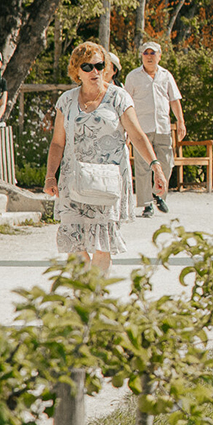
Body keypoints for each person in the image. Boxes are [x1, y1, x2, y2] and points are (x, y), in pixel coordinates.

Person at [43, 40, 167, 273]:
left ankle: (95, 298)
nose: (95, 72)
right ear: (76, 71)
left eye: (99, 66)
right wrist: (50, 176)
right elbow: (58, 142)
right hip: (72, 180)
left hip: (107, 181)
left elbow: (138, 135)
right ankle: (84, 294)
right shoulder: (66, 101)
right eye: (87, 67)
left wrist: (156, 167)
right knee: (74, 241)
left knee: (102, 245)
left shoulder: (119, 98)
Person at [123, 40, 185, 216]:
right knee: (143, 166)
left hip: (163, 127)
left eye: (153, 53)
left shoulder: (166, 75)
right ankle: (147, 204)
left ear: (159, 56)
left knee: (166, 163)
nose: (149, 57)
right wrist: (128, 129)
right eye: (146, 53)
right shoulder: (133, 77)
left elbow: (174, 99)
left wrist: (180, 121)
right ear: (141, 56)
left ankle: (158, 195)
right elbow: (126, 104)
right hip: (141, 129)